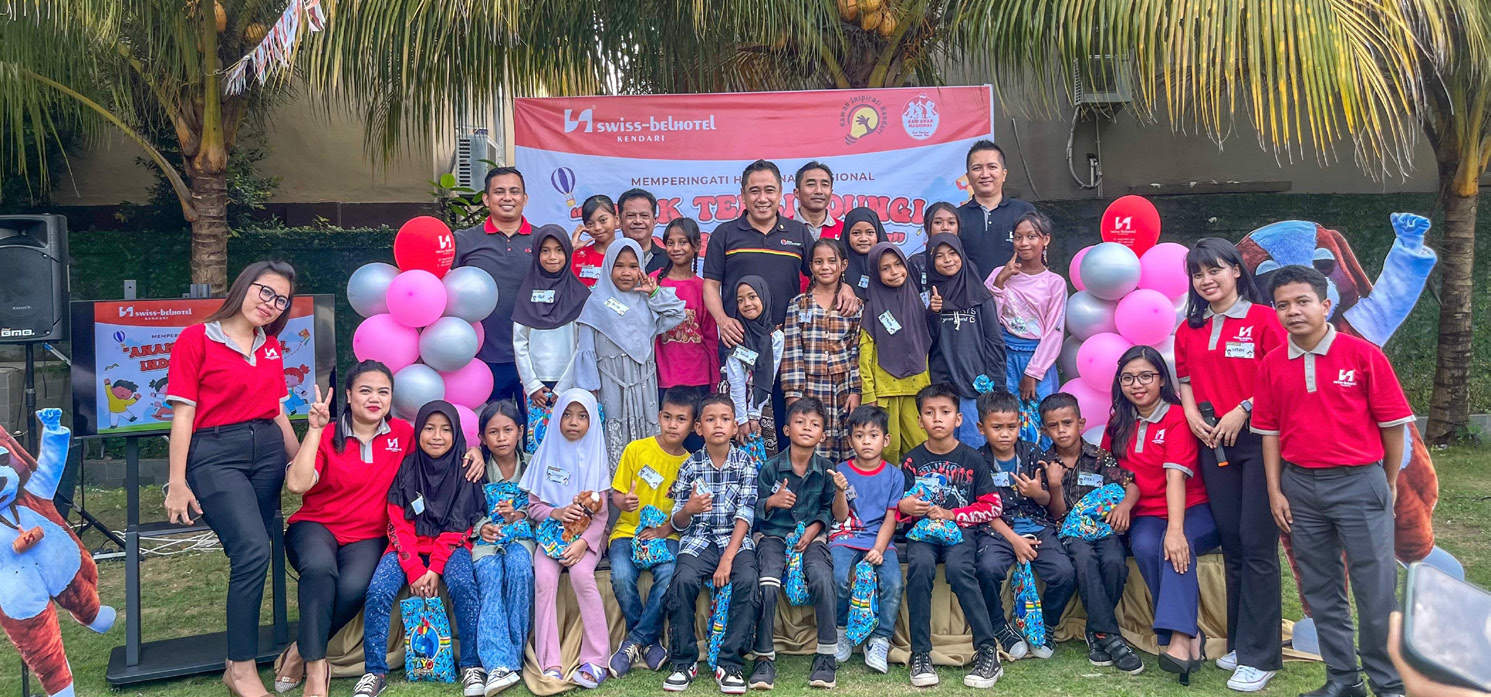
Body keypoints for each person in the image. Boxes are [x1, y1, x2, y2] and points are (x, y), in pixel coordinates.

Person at [1253, 265, 1414, 697]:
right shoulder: (1271, 364)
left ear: (1326, 305)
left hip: (1359, 482)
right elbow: (1268, 432)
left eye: (1303, 301)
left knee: (1375, 589)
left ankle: (1390, 682)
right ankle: (1343, 679)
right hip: (1301, 488)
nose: (1293, 311)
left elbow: (1393, 424)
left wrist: (1387, 480)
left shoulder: (1362, 356)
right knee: (1321, 589)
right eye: (1283, 305)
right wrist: (1275, 489)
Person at [279, 361, 479, 697]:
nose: (374, 398)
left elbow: (439, 450)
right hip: (317, 525)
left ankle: (300, 648)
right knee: (319, 569)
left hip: (368, 535)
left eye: (383, 392)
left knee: (357, 586)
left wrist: (472, 452)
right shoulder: (329, 433)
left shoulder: (403, 435)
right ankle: (315, 667)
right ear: (349, 394)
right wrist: (314, 430)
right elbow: (297, 484)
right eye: (365, 390)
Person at [163, 260, 302, 697]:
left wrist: (300, 459)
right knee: (252, 550)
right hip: (215, 455)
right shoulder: (196, 338)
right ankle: (240, 669)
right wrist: (178, 481)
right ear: (245, 285)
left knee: (255, 553)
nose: (271, 305)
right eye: (266, 292)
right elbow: (183, 414)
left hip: (266, 455)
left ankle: (236, 662)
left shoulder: (272, 347)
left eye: (280, 300)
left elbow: (277, 410)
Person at [1175, 237, 1286, 692]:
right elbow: (1184, 379)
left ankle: (1262, 657)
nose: (1207, 281)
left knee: (1259, 547)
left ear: (1237, 270)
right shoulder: (1189, 329)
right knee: (1235, 544)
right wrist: (1190, 415)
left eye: (1215, 270)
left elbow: (1283, 377)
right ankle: (1243, 641)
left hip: (1260, 442)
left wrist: (1245, 406)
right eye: (1198, 274)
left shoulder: (1263, 320)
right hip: (1212, 443)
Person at [704, 160, 858, 448]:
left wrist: (845, 284)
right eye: (755, 191)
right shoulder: (724, 234)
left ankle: (786, 489)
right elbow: (710, 285)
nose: (762, 198)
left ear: (782, 194)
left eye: (769, 190)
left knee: (786, 422)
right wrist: (723, 321)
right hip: (740, 345)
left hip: (787, 347)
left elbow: (822, 272)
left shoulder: (798, 233)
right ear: (743, 194)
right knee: (739, 424)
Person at [1102, 346, 1218, 686]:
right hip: (1147, 511)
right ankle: (1189, 635)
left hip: (1193, 507)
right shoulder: (1118, 422)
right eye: (1128, 378)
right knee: (1145, 545)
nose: (1137, 385)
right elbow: (1115, 476)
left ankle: (1180, 639)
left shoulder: (1178, 416)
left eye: (1145, 376)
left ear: (1161, 379)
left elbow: (1175, 478)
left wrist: (1177, 530)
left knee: (1173, 548)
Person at [353, 402, 486, 697]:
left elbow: (460, 525)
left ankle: (472, 665)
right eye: (429, 428)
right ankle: (374, 671)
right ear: (418, 430)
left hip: (450, 549)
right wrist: (414, 568)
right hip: (407, 548)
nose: (436, 436)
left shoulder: (466, 470)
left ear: (456, 434)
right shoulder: (407, 467)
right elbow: (397, 523)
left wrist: (435, 568)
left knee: (464, 584)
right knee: (378, 591)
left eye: (445, 429)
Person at [899, 383, 1005, 689]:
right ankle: (921, 653)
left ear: (958, 418)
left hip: (960, 533)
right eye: (929, 413)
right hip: (922, 536)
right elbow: (899, 507)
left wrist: (953, 515)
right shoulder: (911, 460)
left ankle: (987, 651)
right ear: (920, 421)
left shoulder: (972, 458)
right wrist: (905, 506)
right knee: (919, 569)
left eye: (945, 412)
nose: (937, 419)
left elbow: (992, 505)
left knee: (960, 570)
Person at [662, 393, 762, 694]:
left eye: (725, 419)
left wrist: (728, 559)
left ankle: (729, 664)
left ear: (734, 427)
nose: (718, 425)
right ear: (699, 428)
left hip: (735, 541)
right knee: (681, 582)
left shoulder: (746, 463)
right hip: (698, 540)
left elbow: (746, 515)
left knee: (747, 580)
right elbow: (678, 523)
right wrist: (688, 509)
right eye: (710, 419)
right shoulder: (691, 466)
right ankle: (684, 661)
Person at [1037, 392, 1143, 675]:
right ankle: (1109, 636)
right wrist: (1055, 485)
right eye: (1053, 425)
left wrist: (1125, 506)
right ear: (1043, 429)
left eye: (1067, 423)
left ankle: (1096, 631)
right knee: (1083, 560)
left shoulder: (1099, 457)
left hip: (1104, 528)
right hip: (1069, 532)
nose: (1061, 431)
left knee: (1114, 562)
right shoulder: (1044, 464)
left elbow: (1131, 484)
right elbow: (1058, 514)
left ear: (1081, 423)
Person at [559, 238, 687, 468]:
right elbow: (586, 350)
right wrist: (589, 393)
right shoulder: (595, 304)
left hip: (643, 385)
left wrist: (654, 292)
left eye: (632, 266)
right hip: (611, 386)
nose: (626, 273)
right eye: (619, 266)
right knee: (613, 442)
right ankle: (617, 500)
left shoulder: (646, 302)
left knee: (646, 445)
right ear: (608, 266)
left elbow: (677, 313)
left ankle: (646, 497)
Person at [971, 388, 1076, 661]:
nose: (1005, 434)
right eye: (997, 427)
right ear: (982, 428)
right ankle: (999, 625)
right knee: (987, 568)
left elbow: (1046, 501)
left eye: (1011, 426)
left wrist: (1036, 492)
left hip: (1036, 524)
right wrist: (1014, 540)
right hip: (996, 529)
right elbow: (983, 509)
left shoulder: (1032, 453)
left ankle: (1047, 624)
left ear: (1020, 424)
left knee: (1064, 573)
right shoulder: (977, 460)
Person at [520, 390, 613, 688]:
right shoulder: (546, 453)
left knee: (582, 574)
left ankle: (596, 658)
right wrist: (557, 512)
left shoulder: (597, 458)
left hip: (586, 538)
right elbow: (534, 507)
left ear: (591, 422)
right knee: (545, 579)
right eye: (567, 415)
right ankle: (550, 662)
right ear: (557, 417)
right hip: (550, 535)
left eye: (582, 416)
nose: (574, 422)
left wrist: (583, 544)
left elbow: (601, 516)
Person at [749, 398, 839, 690]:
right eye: (800, 422)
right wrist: (772, 502)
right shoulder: (771, 467)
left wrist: (813, 529)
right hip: (773, 535)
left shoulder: (826, 469)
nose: (806, 428)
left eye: (814, 424)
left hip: (811, 538)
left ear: (823, 435)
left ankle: (826, 656)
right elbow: (755, 510)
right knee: (767, 581)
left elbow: (828, 509)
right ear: (786, 429)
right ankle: (763, 657)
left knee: (823, 577)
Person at [606, 389, 696, 678]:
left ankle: (633, 642)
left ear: (693, 425)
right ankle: (649, 640)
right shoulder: (636, 449)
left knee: (669, 574)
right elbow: (616, 495)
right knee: (621, 574)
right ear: (659, 417)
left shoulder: (691, 464)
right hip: (627, 530)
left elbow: (685, 512)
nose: (672, 424)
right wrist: (625, 502)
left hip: (666, 534)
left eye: (680, 419)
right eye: (667, 417)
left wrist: (663, 530)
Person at [828, 406, 906, 674]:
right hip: (846, 534)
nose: (866, 442)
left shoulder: (895, 475)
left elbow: (891, 517)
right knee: (837, 576)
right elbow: (839, 516)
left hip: (880, 538)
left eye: (873, 435)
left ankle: (880, 638)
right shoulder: (841, 470)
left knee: (894, 583)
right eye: (859, 436)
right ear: (850, 440)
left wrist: (879, 548)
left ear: (885, 440)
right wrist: (839, 491)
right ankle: (840, 630)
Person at [455, 166, 536, 404]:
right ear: (486, 199)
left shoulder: (544, 241)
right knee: (488, 434)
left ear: (525, 198)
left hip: (532, 359)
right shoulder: (464, 241)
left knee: (535, 436)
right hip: (480, 358)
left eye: (514, 191)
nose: (508, 197)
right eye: (499, 191)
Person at [470, 400, 533, 695]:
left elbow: (545, 507)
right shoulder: (476, 470)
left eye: (508, 429)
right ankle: (497, 665)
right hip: (487, 541)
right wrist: (480, 526)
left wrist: (520, 514)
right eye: (493, 432)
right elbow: (464, 507)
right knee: (490, 575)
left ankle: (513, 659)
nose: (502, 437)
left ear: (520, 431)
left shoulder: (533, 465)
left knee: (520, 568)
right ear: (482, 438)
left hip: (522, 538)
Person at [782, 238, 862, 463]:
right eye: (818, 262)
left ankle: (842, 496)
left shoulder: (852, 305)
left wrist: (856, 390)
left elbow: (856, 350)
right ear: (810, 267)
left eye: (831, 261)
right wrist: (793, 394)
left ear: (843, 265)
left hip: (844, 386)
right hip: (810, 386)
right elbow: (792, 351)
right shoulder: (799, 304)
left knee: (846, 441)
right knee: (812, 442)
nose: (825, 267)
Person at [512, 224, 590, 453]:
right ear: (536, 254)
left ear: (568, 252)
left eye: (558, 250)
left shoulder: (580, 295)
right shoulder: (527, 292)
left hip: (570, 385)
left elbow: (582, 346)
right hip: (536, 389)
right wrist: (532, 385)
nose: (552, 257)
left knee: (571, 446)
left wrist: (563, 388)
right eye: (545, 250)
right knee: (539, 449)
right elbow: (520, 343)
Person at [925, 233, 1006, 447]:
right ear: (931, 263)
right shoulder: (929, 295)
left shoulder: (980, 295)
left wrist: (997, 383)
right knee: (944, 447)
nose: (948, 260)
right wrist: (932, 313)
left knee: (975, 445)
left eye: (953, 253)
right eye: (939, 256)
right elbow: (925, 341)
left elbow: (994, 340)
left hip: (975, 385)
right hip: (943, 386)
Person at [859, 243, 931, 464]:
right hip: (884, 392)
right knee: (887, 449)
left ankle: (919, 494)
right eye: (885, 268)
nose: (894, 272)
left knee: (919, 444)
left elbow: (925, 344)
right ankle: (888, 496)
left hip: (916, 387)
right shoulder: (872, 307)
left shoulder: (917, 300)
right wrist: (868, 393)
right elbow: (865, 353)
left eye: (898, 264)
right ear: (875, 273)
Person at [986, 210, 1064, 410]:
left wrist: (1033, 373)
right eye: (1018, 237)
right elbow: (987, 320)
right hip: (1002, 358)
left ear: (1045, 240)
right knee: (1005, 418)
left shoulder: (1054, 283)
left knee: (1040, 418)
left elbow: (1054, 331)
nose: (1023, 243)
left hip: (1037, 359)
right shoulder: (998, 274)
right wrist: (1000, 282)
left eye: (1031, 237)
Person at [654, 217, 718, 451]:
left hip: (697, 379)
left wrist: (714, 383)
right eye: (671, 243)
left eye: (683, 242)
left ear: (696, 246)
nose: (676, 248)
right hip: (663, 379)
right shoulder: (654, 282)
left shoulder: (704, 287)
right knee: (665, 444)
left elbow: (711, 337)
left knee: (694, 445)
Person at [956, 140, 1036, 278]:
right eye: (977, 168)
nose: (985, 174)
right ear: (968, 177)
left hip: (1017, 297)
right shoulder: (956, 218)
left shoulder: (1025, 211)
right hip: (970, 298)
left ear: (1004, 174)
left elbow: (1039, 258)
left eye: (992, 167)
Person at [723, 277, 783, 451]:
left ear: (764, 298)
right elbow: (735, 379)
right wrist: (741, 419)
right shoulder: (735, 333)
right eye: (740, 300)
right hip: (733, 405)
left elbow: (768, 376)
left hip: (760, 402)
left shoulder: (776, 337)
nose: (747, 303)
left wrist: (755, 415)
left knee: (760, 458)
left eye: (752, 297)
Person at [907, 201, 963, 295]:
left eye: (951, 223)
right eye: (938, 222)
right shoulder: (916, 263)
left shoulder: (965, 261)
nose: (945, 227)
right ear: (927, 228)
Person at [571, 194, 620, 288]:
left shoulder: (627, 254)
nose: (597, 228)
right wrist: (571, 249)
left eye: (603, 220)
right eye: (590, 223)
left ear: (616, 219)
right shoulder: (576, 255)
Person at [618, 188, 670, 275]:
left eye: (644, 216)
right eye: (631, 216)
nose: (638, 221)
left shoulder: (669, 260)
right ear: (619, 221)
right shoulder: (609, 258)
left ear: (654, 220)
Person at [842, 207, 890, 300]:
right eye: (856, 233)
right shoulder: (838, 265)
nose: (863, 238)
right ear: (847, 235)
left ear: (878, 234)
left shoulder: (891, 262)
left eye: (870, 233)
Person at [793, 161, 843, 240]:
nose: (819, 191)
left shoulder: (843, 230)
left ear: (831, 192)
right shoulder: (783, 229)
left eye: (825, 185)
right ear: (797, 193)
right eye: (811, 184)